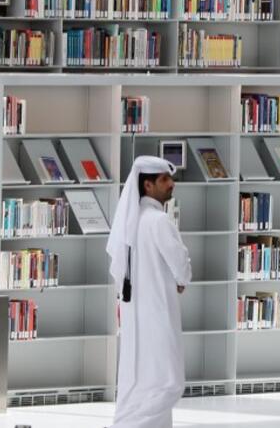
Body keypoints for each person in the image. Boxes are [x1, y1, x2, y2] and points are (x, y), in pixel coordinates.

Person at [106, 156, 192, 428]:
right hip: (158, 310)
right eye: (164, 180)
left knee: (140, 380)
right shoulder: (158, 221)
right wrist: (181, 279)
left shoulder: (132, 222)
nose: (171, 184)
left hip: (135, 314)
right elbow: (181, 265)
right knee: (170, 381)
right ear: (148, 185)